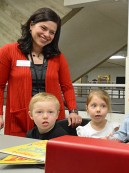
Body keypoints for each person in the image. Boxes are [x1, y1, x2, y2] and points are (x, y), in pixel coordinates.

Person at [0, 7, 81, 137]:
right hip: (20, 118)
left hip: (52, 121)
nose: (47, 35)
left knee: (53, 155)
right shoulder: (8, 51)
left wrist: (73, 110)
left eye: (52, 32)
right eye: (43, 28)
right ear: (31, 25)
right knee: (21, 155)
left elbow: (67, 87)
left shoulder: (58, 57)